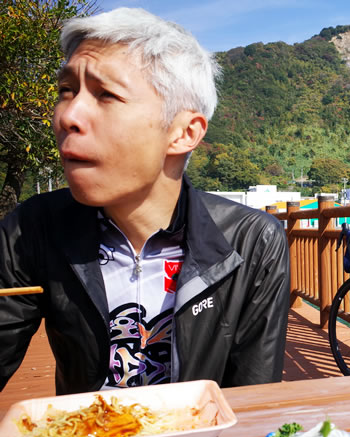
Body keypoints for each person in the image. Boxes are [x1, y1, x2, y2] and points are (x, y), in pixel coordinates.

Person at [0, 8, 290, 394]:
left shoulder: (253, 242)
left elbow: (253, 402)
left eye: (106, 95)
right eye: (66, 90)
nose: (68, 115)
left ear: (184, 132)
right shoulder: (32, 229)